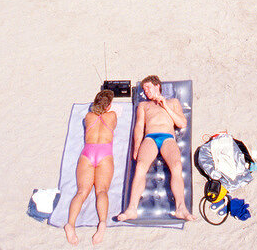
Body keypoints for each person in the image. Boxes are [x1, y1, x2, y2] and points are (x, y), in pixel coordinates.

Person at [114, 76, 196, 223]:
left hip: (168, 138)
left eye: (148, 87)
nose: (146, 91)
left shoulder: (173, 102)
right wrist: (136, 146)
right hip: (150, 138)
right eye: (144, 89)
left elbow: (182, 123)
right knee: (140, 167)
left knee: (176, 166)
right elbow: (139, 126)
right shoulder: (144, 105)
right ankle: (131, 209)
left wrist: (165, 106)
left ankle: (181, 208)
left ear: (158, 86)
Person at [64, 90, 118, 245]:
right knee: (101, 191)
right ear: (109, 105)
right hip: (104, 153)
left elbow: (95, 113)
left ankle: (70, 224)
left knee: (81, 192)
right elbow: (113, 122)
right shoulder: (112, 115)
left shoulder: (88, 117)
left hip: (87, 153)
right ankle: (101, 223)